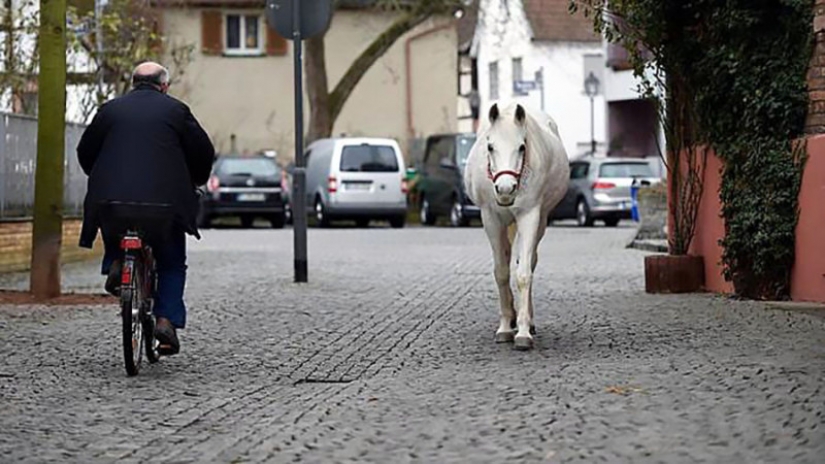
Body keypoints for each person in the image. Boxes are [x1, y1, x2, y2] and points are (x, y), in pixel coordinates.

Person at [77, 62, 215, 355]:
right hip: (164, 205)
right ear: (164, 86)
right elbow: (203, 152)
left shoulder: (110, 110)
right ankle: (166, 320)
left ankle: (116, 262)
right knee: (171, 261)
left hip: (112, 201)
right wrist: (196, 179)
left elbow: (85, 151)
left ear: (133, 82)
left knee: (115, 222)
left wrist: (100, 177)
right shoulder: (177, 111)